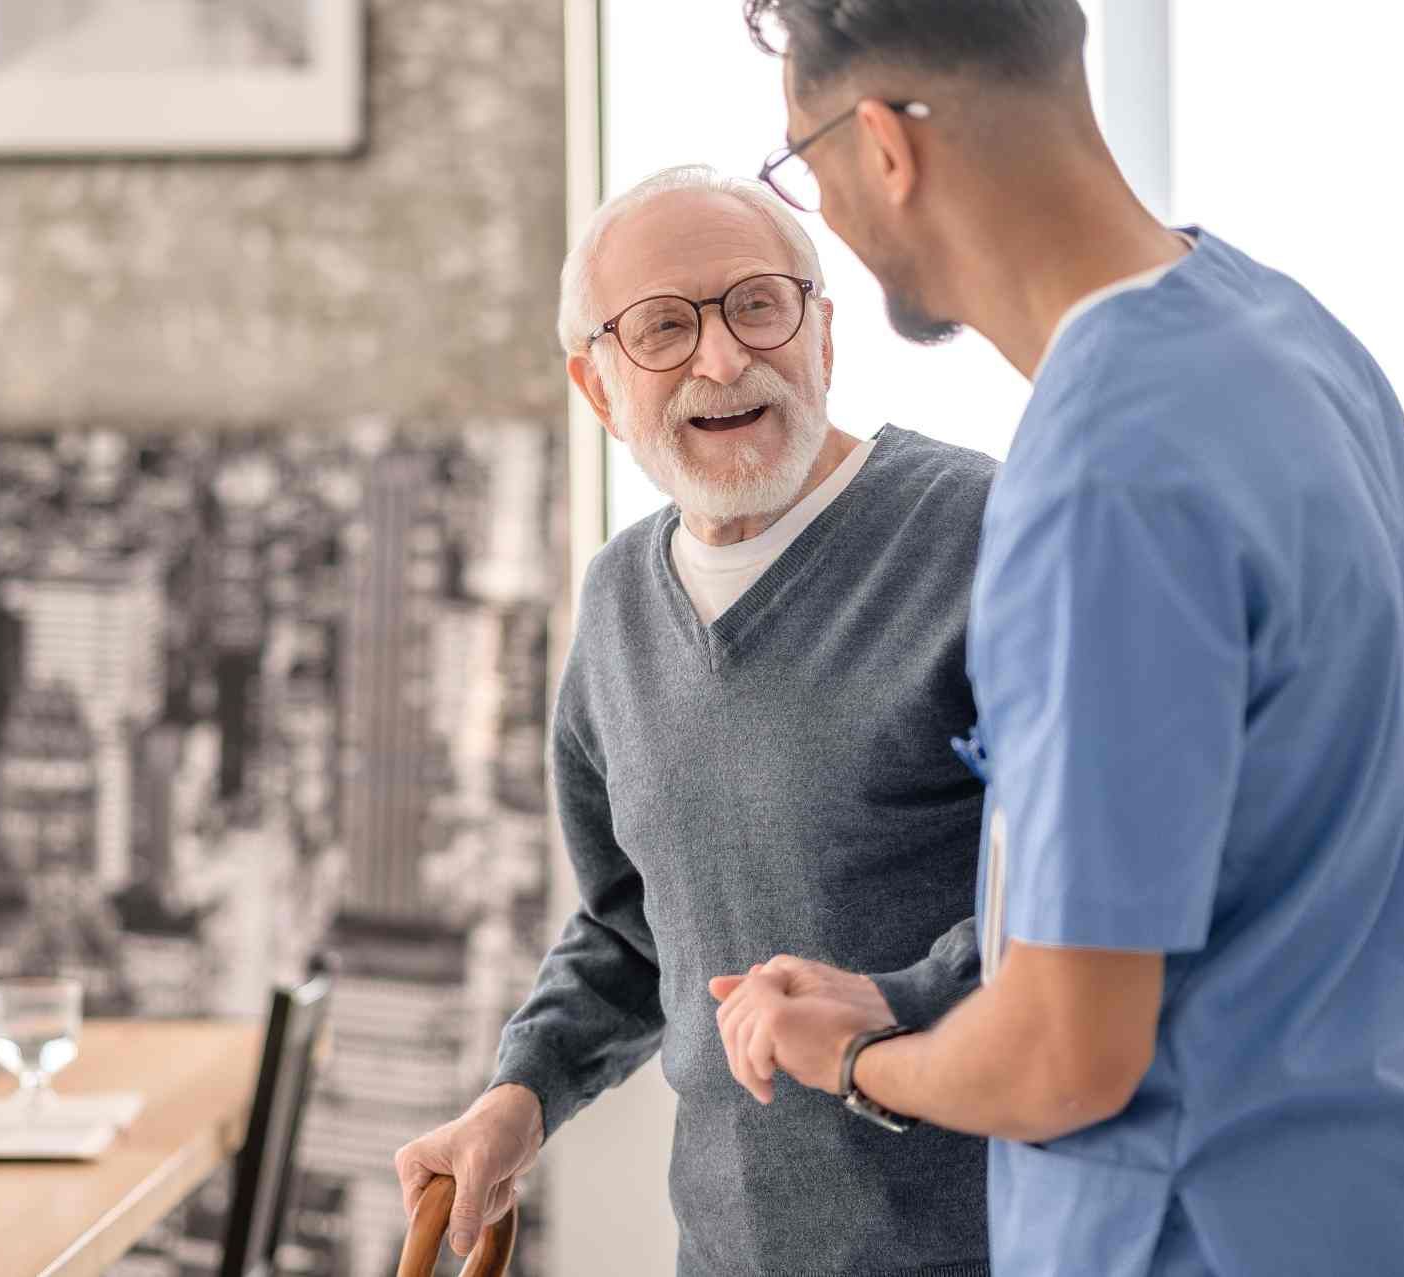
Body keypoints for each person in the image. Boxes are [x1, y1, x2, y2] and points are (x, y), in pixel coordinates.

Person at [712, 3, 1404, 1274]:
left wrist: (852, 1055)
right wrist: (905, 994)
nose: (819, 209)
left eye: (801, 160)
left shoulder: (1098, 480)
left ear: (885, 146)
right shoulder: (1296, 341)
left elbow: (1068, 1057)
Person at [394, 163, 999, 1275]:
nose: (723, 359)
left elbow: (1076, 928)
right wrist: (514, 1102)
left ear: (824, 331)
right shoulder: (619, 599)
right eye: (664, 328)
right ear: (598, 387)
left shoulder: (987, 536)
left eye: (759, 305)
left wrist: (883, 1010)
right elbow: (633, 929)